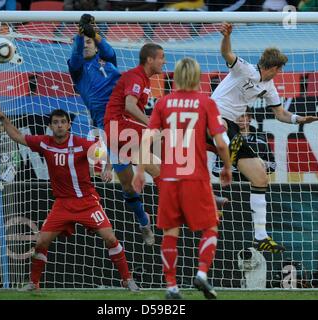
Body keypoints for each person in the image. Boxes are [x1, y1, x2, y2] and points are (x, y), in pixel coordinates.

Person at [0, 100, 139, 292]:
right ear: (50, 126)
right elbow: (18, 136)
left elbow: (106, 153)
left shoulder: (81, 144)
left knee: (110, 238)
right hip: (62, 204)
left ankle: (127, 279)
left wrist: (108, 169)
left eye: (62, 122)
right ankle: (33, 283)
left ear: (69, 125)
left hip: (87, 202)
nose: (59, 125)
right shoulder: (44, 142)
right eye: (55, 122)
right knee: (41, 240)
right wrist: (1, 116)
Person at [211, 22, 318, 253]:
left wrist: (299, 119)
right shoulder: (245, 69)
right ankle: (208, 194)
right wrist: (227, 35)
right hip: (214, 117)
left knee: (260, 177)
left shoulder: (269, 88)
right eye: (280, 69)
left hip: (230, 126)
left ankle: (260, 236)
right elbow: (226, 53)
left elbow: (281, 114)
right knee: (221, 136)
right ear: (273, 67)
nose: (280, 73)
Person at [132, 57, 232, 300]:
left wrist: (140, 171)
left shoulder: (164, 103)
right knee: (210, 227)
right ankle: (201, 273)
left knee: (170, 233)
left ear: (175, 76)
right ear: (197, 77)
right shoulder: (206, 103)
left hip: (168, 177)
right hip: (196, 176)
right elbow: (220, 142)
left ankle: (172, 287)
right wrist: (227, 167)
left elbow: (148, 138)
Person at [103, 43, 166, 246]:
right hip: (118, 127)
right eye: (161, 57)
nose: (164, 61)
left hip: (119, 132)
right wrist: (152, 125)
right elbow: (129, 106)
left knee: (132, 184)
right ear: (150, 59)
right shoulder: (136, 76)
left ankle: (145, 219)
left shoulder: (144, 79)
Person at [68, 13, 119, 183]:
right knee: (114, 139)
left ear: (96, 47)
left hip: (123, 105)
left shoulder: (108, 59)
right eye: (83, 44)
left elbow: (108, 50)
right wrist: (81, 35)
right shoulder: (77, 68)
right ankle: (107, 167)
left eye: (89, 43)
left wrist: (93, 34)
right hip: (102, 113)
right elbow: (75, 54)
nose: (85, 46)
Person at [212, 107, 276, 181]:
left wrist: (262, 165)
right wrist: (245, 167)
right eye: (236, 116)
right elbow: (215, 170)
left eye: (243, 116)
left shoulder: (261, 139)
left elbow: (272, 165)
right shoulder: (224, 139)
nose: (240, 119)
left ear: (249, 118)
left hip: (256, 184)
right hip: (230, 187)